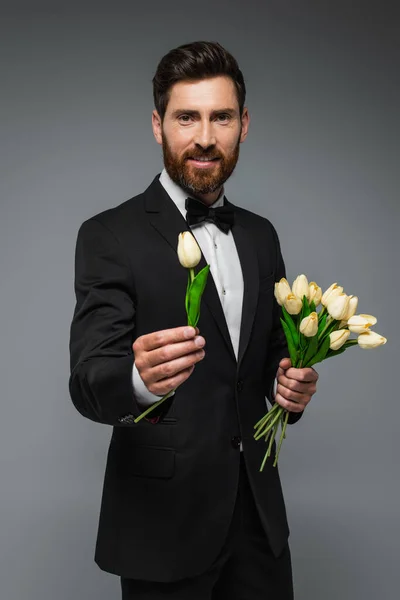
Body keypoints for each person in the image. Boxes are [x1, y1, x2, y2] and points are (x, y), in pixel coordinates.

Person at [69, 40, 319, 600]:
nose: (205, 137)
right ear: (158, 125)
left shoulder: (261, 235)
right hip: (163, 526)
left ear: (243, 125)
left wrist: (291, 388)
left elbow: (270, 360)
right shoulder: (108, 235)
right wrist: (138, 380)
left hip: (259, 521)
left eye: (221, 117)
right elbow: (87, 380)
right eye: (188, 117)